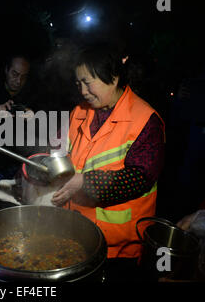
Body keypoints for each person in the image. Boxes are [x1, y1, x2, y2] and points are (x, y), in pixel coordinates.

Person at [51, 42, 165, 282]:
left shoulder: (145, 120)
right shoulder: (79, 111)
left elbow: (139, 178)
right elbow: (64, 151)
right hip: (77, 235)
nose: (82, 91)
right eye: (78, 83)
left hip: (119, 248)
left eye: (88, 82)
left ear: (113, 77)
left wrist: (85, 182)